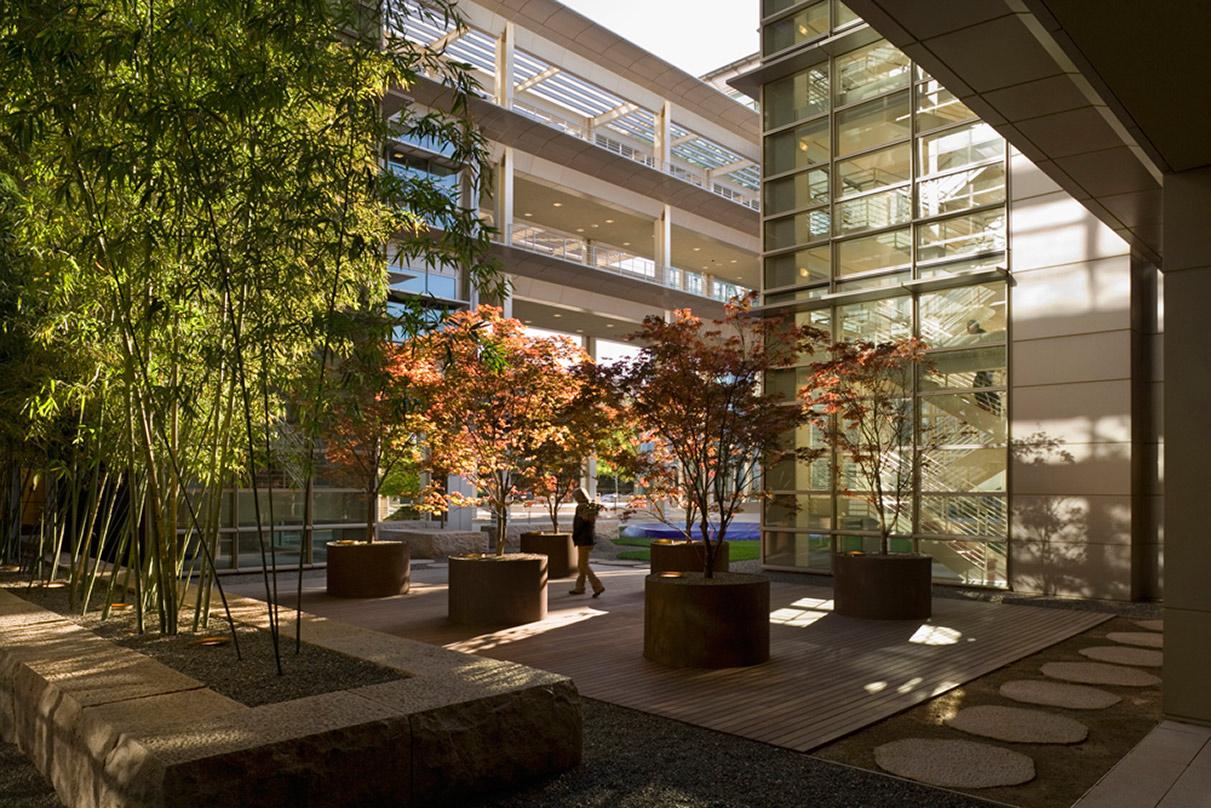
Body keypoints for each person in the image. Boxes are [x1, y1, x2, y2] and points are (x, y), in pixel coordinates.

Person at [569, 487, 605, 597]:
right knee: (582, 565)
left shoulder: (581, 507)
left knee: (583, 565)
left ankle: (597, 585)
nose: (575, 499)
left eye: (575, 497)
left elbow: (579, 524)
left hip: (583, 539)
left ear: (579, 497)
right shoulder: (591, 506)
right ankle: (579, 587)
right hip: (589, 538)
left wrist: (575, 536)